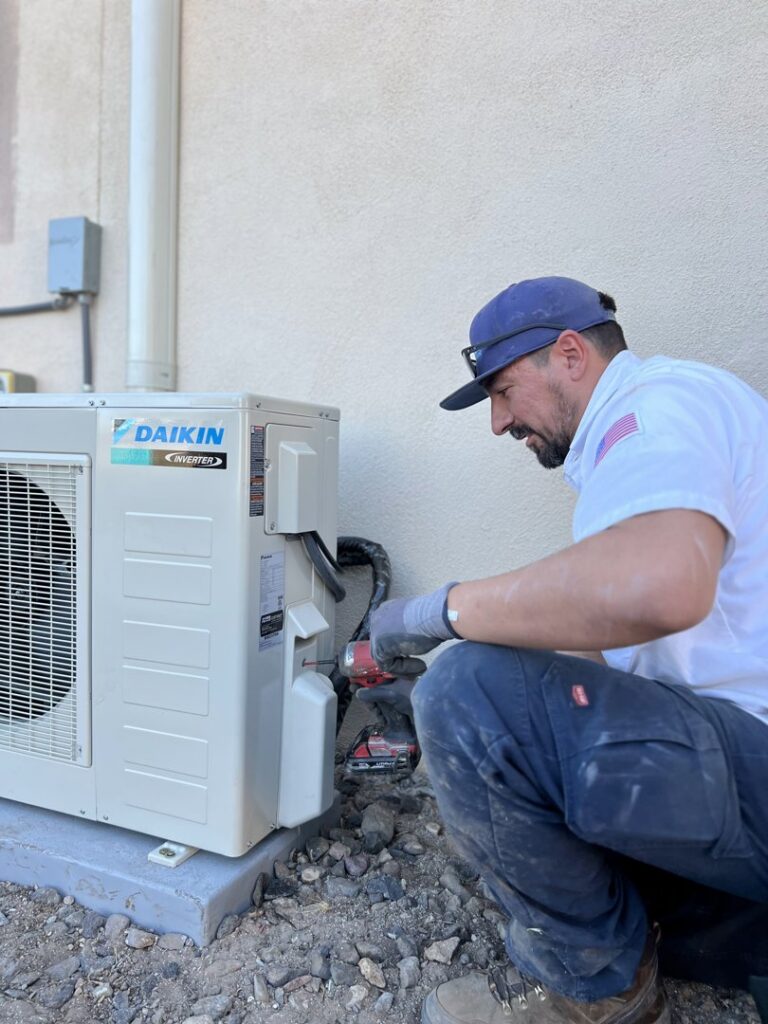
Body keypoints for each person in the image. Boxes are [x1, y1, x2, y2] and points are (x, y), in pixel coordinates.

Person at [367, 276, 768, 1024]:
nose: (496, 422)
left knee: (465, 694)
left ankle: (604, 989)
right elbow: (628, 640)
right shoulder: (665, 424)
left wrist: (439, 611)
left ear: (571, 355)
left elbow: (661, 586)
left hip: (756, 760)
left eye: (503, 390)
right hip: (742, 761)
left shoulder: (653, 407)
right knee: (565, 842)